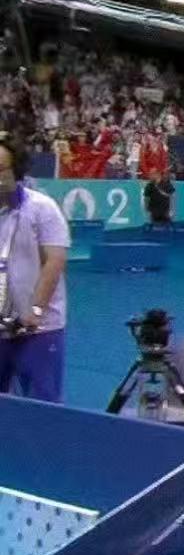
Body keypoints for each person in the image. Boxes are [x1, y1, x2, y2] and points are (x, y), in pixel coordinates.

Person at [0, 137, 71, 403]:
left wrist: (36, 310)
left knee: (42, 405)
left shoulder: (42, 208)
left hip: (39, 329)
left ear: (16, 171)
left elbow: (55, 260)